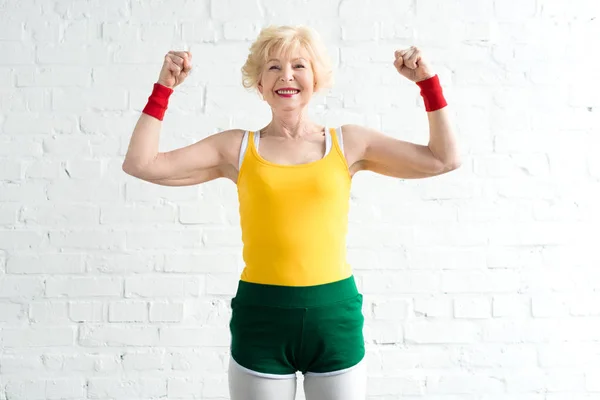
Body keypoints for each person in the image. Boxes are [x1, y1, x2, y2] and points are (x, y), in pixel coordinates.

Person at [122, 25, 460, 400]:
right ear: (259, 84)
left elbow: (444, 159)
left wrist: (427, 83)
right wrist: (163, 88)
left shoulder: (348, 143)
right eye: (272, 67)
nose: (286, 75)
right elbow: (141, 163)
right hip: (262, 318)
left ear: (315, 77)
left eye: (299, 65)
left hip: (334, 318)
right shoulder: (235, 147)